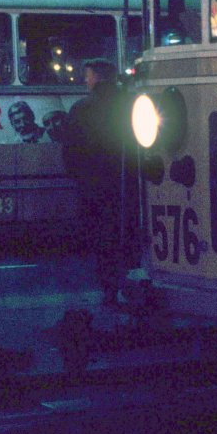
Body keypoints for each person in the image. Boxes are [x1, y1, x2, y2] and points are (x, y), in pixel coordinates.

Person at [61, 58, 136, 307]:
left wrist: (78, 177)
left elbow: (70, 150)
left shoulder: (82, 108)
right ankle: (128, 282)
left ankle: (109, 288)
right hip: (125, 182)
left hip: (92, 185)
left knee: (102, 239)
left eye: (88, 76)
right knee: (124, 234)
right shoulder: (130, 105)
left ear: (97, 78)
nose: (86, 80)